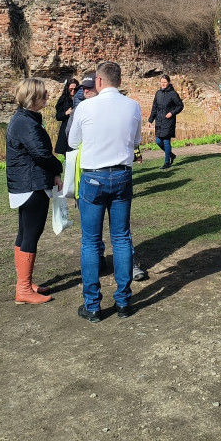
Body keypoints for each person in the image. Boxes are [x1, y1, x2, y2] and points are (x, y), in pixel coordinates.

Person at [68, 61, 142, 322]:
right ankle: (123, 301)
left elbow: (72, 141)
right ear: (118, 81)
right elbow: (136, 141)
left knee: (90, 241)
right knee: (121, 238)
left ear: (98, 81)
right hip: (121, 174)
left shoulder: (86, 107)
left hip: (93, 177)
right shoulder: (133, 106)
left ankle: (93, 305)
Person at [6, 77, 63, 304]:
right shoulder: (25, 122)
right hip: (31, 185)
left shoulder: (26, 119)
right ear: (32, 97)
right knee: (30, 234)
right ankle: (23, 289)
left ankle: (26, 283)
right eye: (44, 93)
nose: (47, 96)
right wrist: (58, 167)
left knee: (25, 234)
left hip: (27, 183)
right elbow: (40, 154)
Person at [149, 74, 185, 170]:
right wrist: (150, 120)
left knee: (166, 141)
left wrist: (172, 113)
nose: (163, 84)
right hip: (159, 120)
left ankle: (167, 162)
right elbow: (154, 107)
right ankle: (171, 155)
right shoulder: (158, 93)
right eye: (162, 82)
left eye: (165, 82)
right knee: (158, 141)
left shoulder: (173, 94)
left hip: (168, 120)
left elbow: (180, 105)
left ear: (168, 83)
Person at [54, 77, 79, 154]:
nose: (73, 91)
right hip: (66, 129)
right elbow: (58, 116)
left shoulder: (80, 98)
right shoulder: (63, 99)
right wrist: (66, 113)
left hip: (77, 128)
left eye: (75, 89)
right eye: (71, 89)